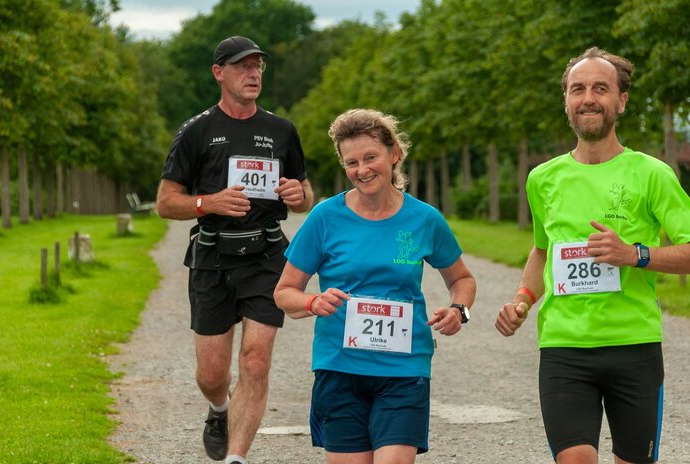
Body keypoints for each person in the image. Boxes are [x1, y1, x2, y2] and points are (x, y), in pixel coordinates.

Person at [495, 46, 690, 464]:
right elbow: (542, 250)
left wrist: (635, 254)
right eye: (577, 89)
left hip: (633, 346)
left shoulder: (652, 174)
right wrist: (522, 301)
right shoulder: (542, 178)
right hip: (564, 347)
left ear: (621, 101)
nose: (588, 98)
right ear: (566, 100)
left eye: (600, 88)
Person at [274, 108, 477, 464]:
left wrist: (459, 310)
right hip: (340, 369)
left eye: (371, 157)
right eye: (351, 162)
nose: (362, 170)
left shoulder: (424, 219)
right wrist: (313, 302)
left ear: (394, 153)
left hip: (403, 370)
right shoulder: (325, 217)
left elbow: (462, 278)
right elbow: (284, 292)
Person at [156, 35, 314, 463]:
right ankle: (219, 408)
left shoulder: (281, 130)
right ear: (218, 73)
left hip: (265, 256)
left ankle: (236, 458)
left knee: (256, 360)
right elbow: (165, 202)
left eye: (259, 66)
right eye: (243, 66)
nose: (254, 73)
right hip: (212, 257)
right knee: (211, 375)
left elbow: (306, 193)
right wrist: (208, 203)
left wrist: (298, 196)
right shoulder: (197, 131)